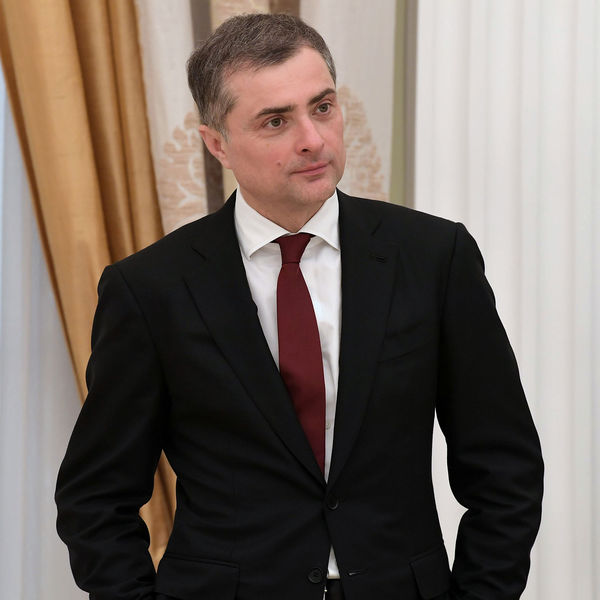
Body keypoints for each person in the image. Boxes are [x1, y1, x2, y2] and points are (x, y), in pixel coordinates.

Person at [55, 13, 543, 600]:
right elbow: (96, 497)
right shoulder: (150, 288)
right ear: (217, 144)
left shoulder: (435, 257)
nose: (312, 138)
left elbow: (505, 469)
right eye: (276, 120)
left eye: (323, 107)